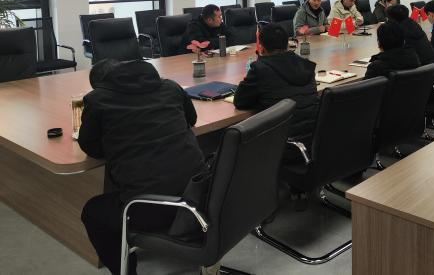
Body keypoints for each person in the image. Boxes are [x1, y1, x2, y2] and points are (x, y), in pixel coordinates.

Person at [78, 59, 204, 275]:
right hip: (200, 195)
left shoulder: (97, 100)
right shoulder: (170, 87)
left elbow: (91, 148)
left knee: (92, 212)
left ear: (101, 84)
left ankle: (126, 270)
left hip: (151, 209)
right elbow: (190, 119)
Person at [233, 24, 318, 150]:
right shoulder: (304, 65)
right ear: (287, 44)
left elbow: (240, 101)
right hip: (312, 142)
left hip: (279, 147)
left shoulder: (260, 69)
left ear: (261, 47)